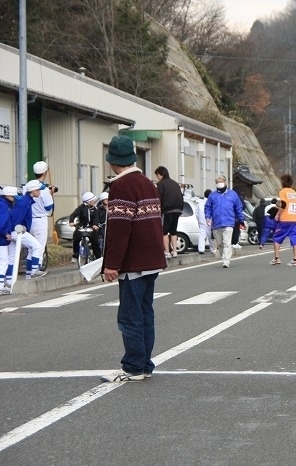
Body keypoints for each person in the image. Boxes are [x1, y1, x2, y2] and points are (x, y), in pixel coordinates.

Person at [100, 135, 167, 382]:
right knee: (145, 313)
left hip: (133, 262)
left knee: (129, 315)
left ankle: (134, 366)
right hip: (152, 260)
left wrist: (112, 264)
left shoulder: (121, 186)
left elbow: (119, 229)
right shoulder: (147, 183)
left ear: (112, 161)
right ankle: (144, 364)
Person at [4, 184, 46, 287]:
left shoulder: (26, 201)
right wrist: (13, 230)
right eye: (38, 190)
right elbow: (15, 218)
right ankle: (34, 271)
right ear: (34, 191)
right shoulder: (24, 202)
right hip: (16, 231)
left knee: (12, 257)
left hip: (12, 231)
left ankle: (10, 280)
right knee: (36, 246)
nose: (40, 192)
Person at [204, 176, 244, 268]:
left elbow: (238, 207)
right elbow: (208, 207)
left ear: (225, 182)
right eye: (218, 182)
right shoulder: (212, 195)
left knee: (226, 242)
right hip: (216, 223)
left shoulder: (233, 194)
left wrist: (241, 219)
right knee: (220, 243)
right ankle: (224, 256)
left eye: (221, 181)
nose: (220, 183)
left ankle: (226, 261)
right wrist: (207, 217)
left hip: (229, 222)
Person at [27, 161, 56, 270]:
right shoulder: (43, 189)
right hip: (40, 220)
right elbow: (49, 208)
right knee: (39, 247)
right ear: (45, 173)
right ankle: (36, 270)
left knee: (31, 248)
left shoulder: (28, 186)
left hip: (29, 220)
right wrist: (51, 194)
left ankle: (29, 272)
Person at [270, 174, 296, 266]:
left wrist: (277, 214)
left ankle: (276, 258)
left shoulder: (283, 191)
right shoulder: (293, 192)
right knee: (295, 238)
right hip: (295, 218)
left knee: (277, 237)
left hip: (285, 218)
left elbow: (283, 204)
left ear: (282, 182)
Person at [155, 166, 184, 258]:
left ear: (161, 174)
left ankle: (167, 252)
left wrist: (158, 211)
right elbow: (181, 196)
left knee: (164, 232)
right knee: (173, 231)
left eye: (157, 175)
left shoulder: (161, 184)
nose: (157, 178)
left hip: (167, 209)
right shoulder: (175, 183)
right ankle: (175, 251)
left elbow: (158, 198)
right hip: (178, 209)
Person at [69, 192, 101, 261]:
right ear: (88, 202)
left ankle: (99, 259)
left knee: (95, 242)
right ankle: (76, 254)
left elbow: (96, 218)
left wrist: (95, 225)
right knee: (76, 238)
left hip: (91, 227)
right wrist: (71, 221)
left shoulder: (95, 209)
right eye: (92, 201)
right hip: (82, 226)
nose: (94, 202)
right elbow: (74, 214)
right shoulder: (81, 208)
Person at [0, 187, 11, 294]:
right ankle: (0, 286)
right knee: (3, 262)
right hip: (1, 239)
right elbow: (2, 222)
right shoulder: (3, 205)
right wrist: (6, 233)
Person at [196, 189, 214, 254]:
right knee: (211, 236)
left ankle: (201, 249)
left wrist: (198, 221)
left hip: (202, 222)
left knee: (202, 236)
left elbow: (197, 213)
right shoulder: (212, 202)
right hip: (210, 222)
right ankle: (212, 249)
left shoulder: (199, 203)